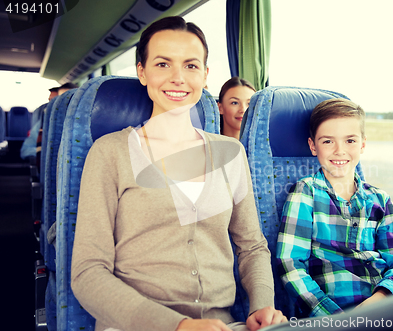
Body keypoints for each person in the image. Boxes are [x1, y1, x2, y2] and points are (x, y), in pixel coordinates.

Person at [71, 16, 286, 331]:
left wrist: (262, 305)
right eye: (162, 64)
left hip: (221, 325)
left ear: (205, 75)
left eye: (190, 65)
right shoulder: (110, 153)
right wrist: (179, 325)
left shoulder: (231, 153)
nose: (178, 78)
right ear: (141, 72)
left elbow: (251, 245)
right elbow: (88, 273)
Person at [276, 98, 393, 317]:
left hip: (384, 309)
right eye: (327, 142)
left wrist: (378, 302)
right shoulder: (305, 193)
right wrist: (337, 319)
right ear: (313, 146)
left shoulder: (380, 200)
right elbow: (291, 265)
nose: (339, 151)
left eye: (350, 141)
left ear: (362, 144)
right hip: (330, 314)